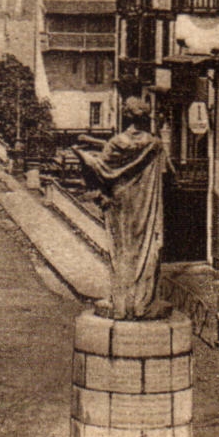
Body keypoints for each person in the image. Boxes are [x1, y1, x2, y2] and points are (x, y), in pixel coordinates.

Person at [74, 96, 169, 321]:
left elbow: (101, 169)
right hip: (144, 205)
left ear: (126, 115)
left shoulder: (117, 143)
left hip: (120, 204)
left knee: (121, 250)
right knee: (144, 250)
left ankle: (121, 302)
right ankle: (141, 303)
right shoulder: (155, 145)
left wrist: (82, 155)